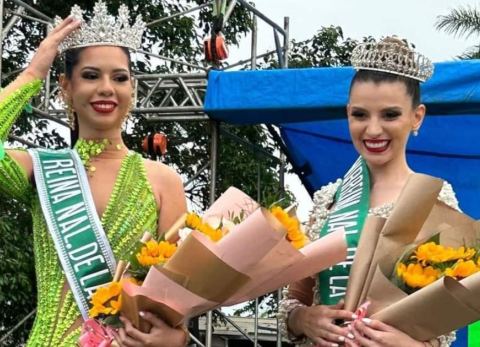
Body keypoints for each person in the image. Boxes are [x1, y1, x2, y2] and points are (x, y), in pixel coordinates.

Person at [0, 2, 188, 346]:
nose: (106, 88)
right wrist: (30, 75)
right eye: (90, 76)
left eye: (119, 78)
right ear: (65, 87)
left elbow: (178, 301)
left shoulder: (164, 181)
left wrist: (175, 339)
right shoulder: (40, 168)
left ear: (132, 88)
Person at [278, 37, 459, 347]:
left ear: (417, 117)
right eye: (360, 115)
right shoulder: (330, 199)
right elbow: (294, 300)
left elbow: (443, 322)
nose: (373, 130)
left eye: (390, 115)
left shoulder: (434, 198)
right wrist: (303, 319)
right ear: (347, 113)